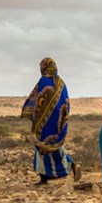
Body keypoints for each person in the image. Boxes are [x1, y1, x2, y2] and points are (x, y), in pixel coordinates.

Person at [21, 57, 81, 185]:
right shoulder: (61, 83)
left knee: (41, 148)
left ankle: (47, 176)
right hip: (58, 123)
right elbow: (66, 103)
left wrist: (35, 116)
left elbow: (37, 100)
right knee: (55, 148)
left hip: (43, 123)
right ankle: (69, 166)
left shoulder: (43, 81)